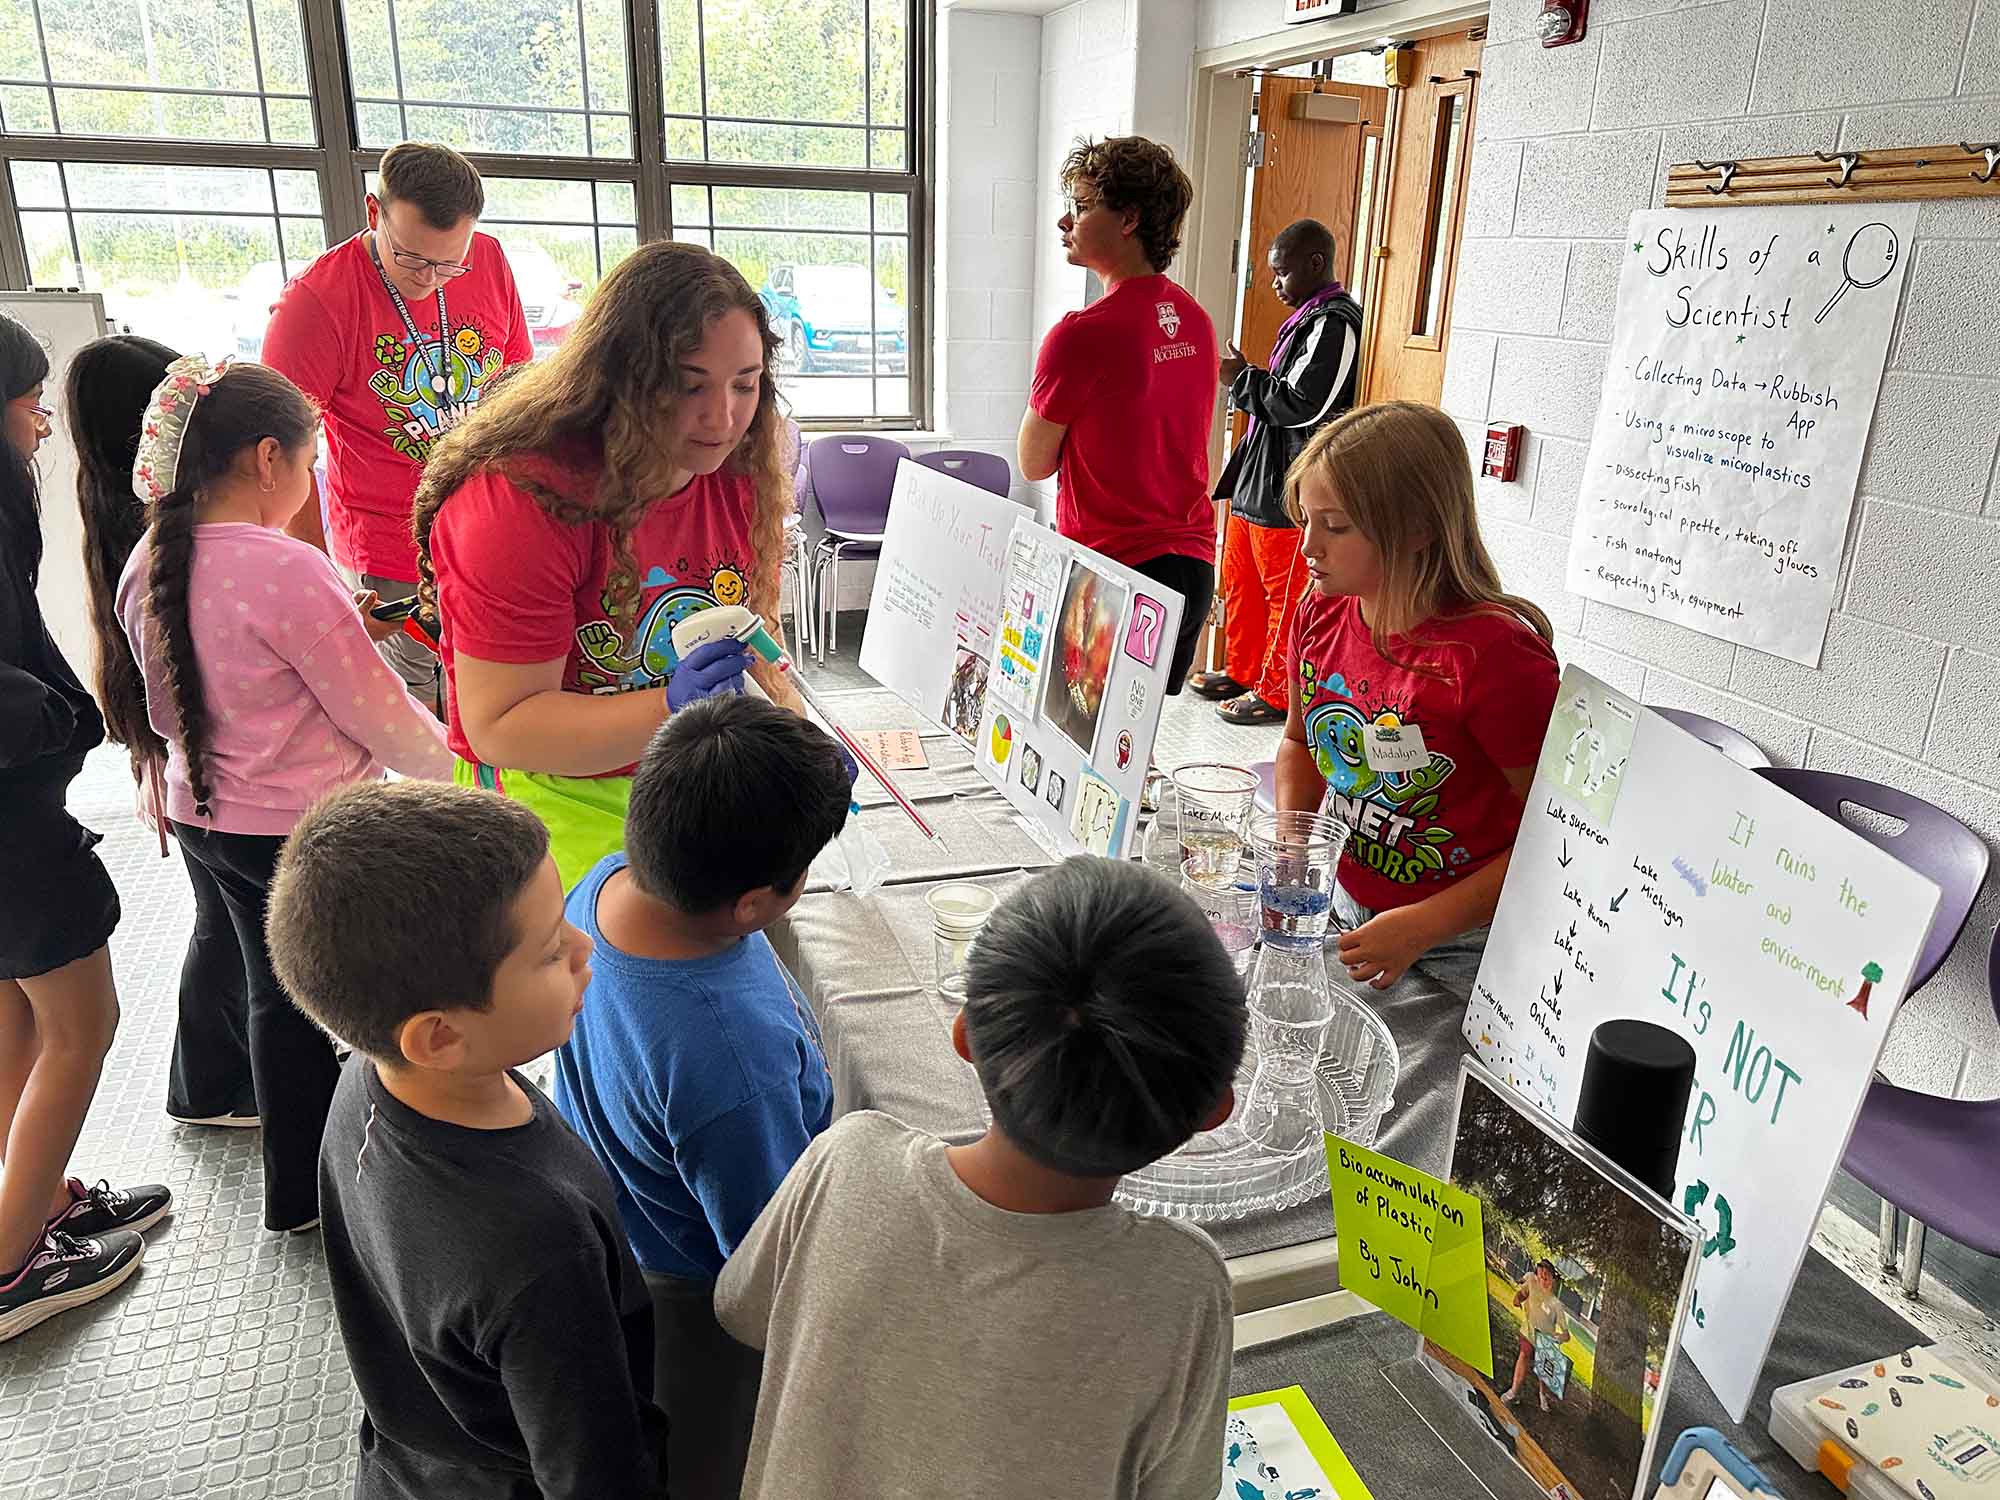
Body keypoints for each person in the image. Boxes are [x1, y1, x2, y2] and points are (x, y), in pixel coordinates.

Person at [716, 856, 1245, 1498]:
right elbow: (1182, 1489)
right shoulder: (1182, 1287)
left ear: (964, 1035)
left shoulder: (847, 1157)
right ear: (1215, 1111)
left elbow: (741, 1309)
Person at [114, 357, 455, 1232]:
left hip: (205, 816)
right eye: (308, 467)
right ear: (269, 459)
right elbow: (381, 714)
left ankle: (296, 1193)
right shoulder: (286, 567)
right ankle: (332, 1190)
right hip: (302, 833)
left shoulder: (151, 556)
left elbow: (164, 703)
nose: (307, 487)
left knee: (275, 997)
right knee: (337, 1000)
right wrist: (473, 778)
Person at [266, 780, 669, 1500]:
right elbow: (596, 1474)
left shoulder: (368, 1076)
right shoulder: (539, 1246)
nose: (584, 948)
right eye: (549, 953)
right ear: (441, 1035)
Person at [413, 239, 799, 889]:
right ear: (624, 377)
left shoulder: (736, 469)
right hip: (550, 789)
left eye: (746, 383)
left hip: (683, 770)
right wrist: (671, 705)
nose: (724, 417)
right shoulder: (520, 501)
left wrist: (796, 740)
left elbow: (759, 633)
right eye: (689, 384)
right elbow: (501, 725)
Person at [556, 694, 852, 1500]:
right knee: (710, 1460)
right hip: (697, 1295)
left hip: (627, 1218)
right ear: (754, 904)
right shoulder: (730, 1061)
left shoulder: (610, 879)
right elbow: (766, 1252)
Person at [0, 312, 169, 1344]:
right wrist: (54, 718)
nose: (41, 424)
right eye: (27, 402)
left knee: (16, 1017)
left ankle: (30, 1199)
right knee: (81, 1023)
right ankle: (13, 1265)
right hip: (11, 815)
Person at [1277, 402, 1559, 997]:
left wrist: (1424, 926)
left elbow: (1557, 837)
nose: (1308, 546)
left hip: (1462, 941)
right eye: (1306, 519)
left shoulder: (1494, 657)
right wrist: (1292, 841)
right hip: (1347, 901)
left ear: (1415, 528)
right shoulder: (1319, 608)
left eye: (1335, 525)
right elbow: (1300, 742)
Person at [261, 140, 532, 715]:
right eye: (412, 259)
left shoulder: (488, 259)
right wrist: (319, 583)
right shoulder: (316, 303)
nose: (432, 278)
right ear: (372, 213)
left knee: (498, 702)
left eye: (448, 263)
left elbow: (519, 392)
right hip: (390, 553)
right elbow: (285, 456)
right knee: (415, 719)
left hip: (488, 533)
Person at [68, 334, 258, 1131]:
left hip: (178, 743)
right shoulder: (152, 518)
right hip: (195, 748)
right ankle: (208, 1083)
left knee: (220, 914)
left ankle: (214, 1074)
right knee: (224, 919)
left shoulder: (112, 500)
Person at [1017, 136, 1219, 694]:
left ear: (1128, 219)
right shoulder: (1195, 321)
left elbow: (1033, 462)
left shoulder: (1082, 335)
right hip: (1190, 567)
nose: (1066, 220)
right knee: (1130, 750)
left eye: (1081, 207)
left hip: (1116, 574)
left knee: (1079, 756)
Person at [1193, 219, 1362, 726]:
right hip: (1257, 478)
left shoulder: (1336, 323)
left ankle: (1275, 691)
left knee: (1282, 595)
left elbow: (1304, 405)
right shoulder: (1306, 319)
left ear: (1316, 264)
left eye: (1282, 274)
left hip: (1290, 485)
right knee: (1239, 580)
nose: (1274, 285)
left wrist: (1241, 380)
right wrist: (1249, 377)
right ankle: (1243, 670)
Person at [1503, 1259, 1570, 1412]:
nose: (1543, 1279)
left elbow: (1566, 1335)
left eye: (1546, 1276)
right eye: (1540, 1275)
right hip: (1529, 1333)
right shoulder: (1532, 1284)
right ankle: (1513, 1392)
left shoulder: (1556, 1305)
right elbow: (1520, 1295)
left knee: (1543, 1371)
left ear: (1553, 1278)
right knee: (1524, 1355)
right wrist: (1518, 1299)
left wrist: (1557, 1338)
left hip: (1545, 1342)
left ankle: (1542, 1395)